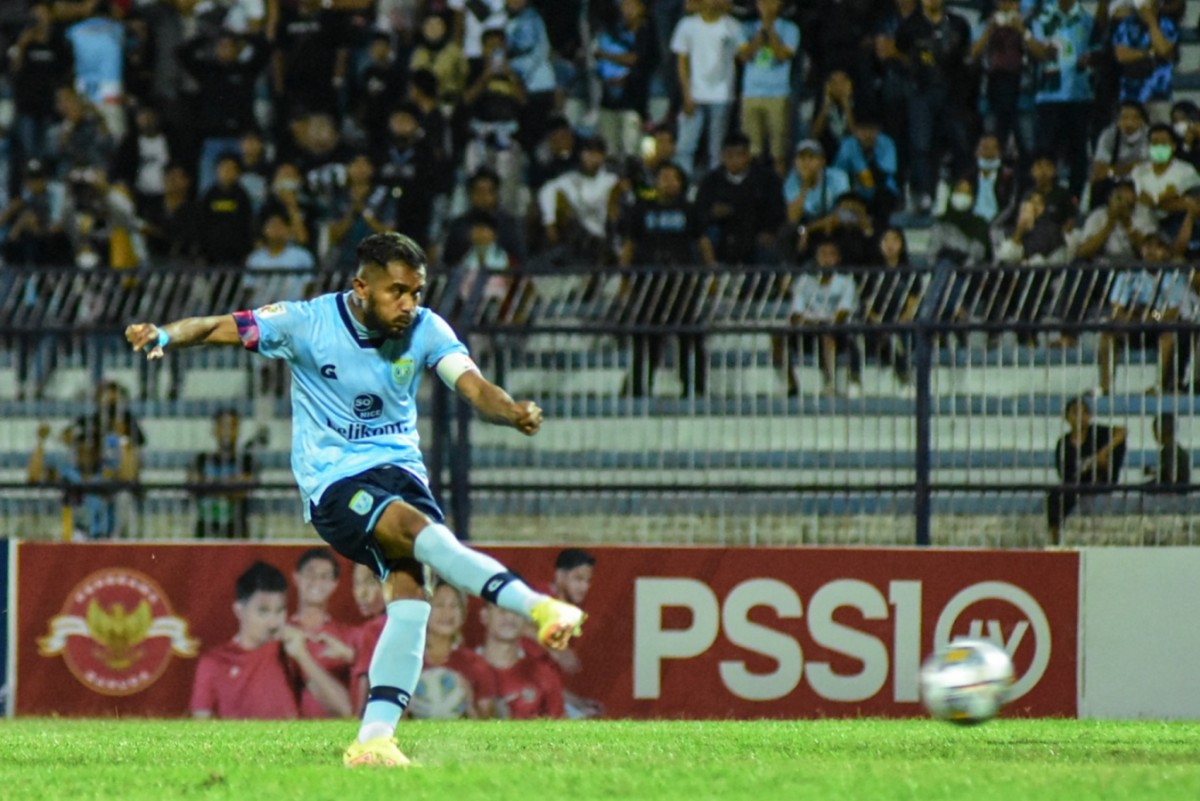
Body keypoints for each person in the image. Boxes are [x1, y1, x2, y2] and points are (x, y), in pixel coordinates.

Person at [125, 231, 585, 767]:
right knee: (418, 534)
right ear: (361, 287)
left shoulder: (427, 327)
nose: (409, 304)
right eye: (397, 292)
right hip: (336, 483)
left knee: (413, 598)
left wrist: (511, 411)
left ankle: (373, 740)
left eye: (415, 291)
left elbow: (476, 386)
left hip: (402, 475)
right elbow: (215, 326)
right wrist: (164, 333)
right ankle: (538, 606)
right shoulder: (306, 322)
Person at [190, 561, 351, 720]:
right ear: (239, 610)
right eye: (263, 611)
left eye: (280, 611)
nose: (273, 622)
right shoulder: (214, 662)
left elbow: (344, 709)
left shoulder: (289, 652)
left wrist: (303, 656)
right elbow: (201, 729)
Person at [411, 581, 497, 719]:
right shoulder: (408, 661)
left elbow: (489, 728)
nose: (447, 613)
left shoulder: (477, 665)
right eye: (439, 605)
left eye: (454, 605)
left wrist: (469, 703)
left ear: (463, 614)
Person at [1048, 397, 1127, 545]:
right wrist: (1090, 464)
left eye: (1084, 413)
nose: (1080, 417)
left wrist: (1103, 452)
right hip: (1076, 482)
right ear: (1067, 417)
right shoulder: (1063, 443)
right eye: (1075, 413)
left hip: (1100, 479)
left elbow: (1122, 432)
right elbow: (1064, 472)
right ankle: (1055, 539)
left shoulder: (1098, 433)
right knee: (1056, 495)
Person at [290, 547, 356, 719]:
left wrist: (351, 656)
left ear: (334, 584)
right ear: (296, 578)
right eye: (310, 574)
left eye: (324, 577)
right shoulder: (279, 632)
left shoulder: (347, 637)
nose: (316, 582)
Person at [478, 603, 565, 719]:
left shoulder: (544, 675)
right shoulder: (460, 668)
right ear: (484, 615)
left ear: (525, 620)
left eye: (516, 611)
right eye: (502, 610)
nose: (510, 617)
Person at [189, 407, 257, 539]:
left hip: (237, 533)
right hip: (205, 532)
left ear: (238, 430)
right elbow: (193, 485)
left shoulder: (247, 461)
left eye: (232, 426)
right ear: (215, 429)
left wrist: (208, 485)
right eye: (223, 426)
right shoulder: (201, 459)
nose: (227, 431)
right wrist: (229, 485)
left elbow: (243, 490)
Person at [1146, 413, 1190, 491]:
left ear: (1162, 431)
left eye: (1154, 431)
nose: (1154, 435)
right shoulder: (1178, 449)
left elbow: (1169, 477)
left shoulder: (1168, 451)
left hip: (1173, 495)